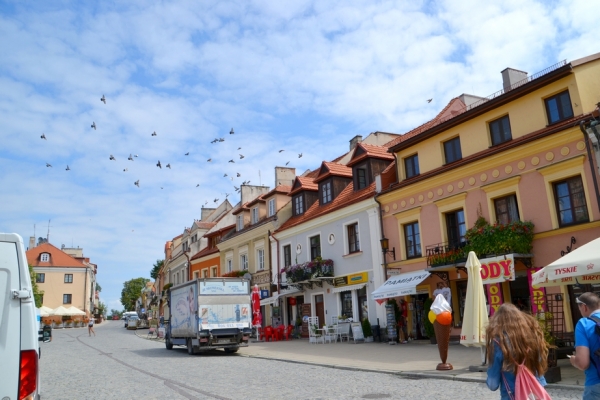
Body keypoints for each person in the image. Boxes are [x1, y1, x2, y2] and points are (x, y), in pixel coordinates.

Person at [485, 303, 548, 399]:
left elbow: (493, 384)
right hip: (535, 394)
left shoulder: (498, 343)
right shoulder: (533, 338)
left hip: (512, 394)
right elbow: (539, 370)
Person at [570, 292, 600, 399]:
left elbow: (583, 364)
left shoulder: (584, 324)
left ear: (584, 307)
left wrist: (574, 360)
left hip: (596, 383)